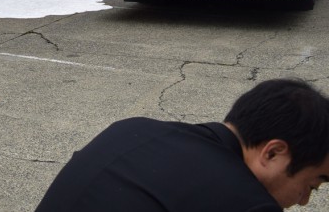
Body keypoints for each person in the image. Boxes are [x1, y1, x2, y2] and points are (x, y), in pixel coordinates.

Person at [35, 78, 329, 211]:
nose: (303, 200)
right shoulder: (248, 203)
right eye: (311, 185)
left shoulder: (131, 128)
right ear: (274, 152)